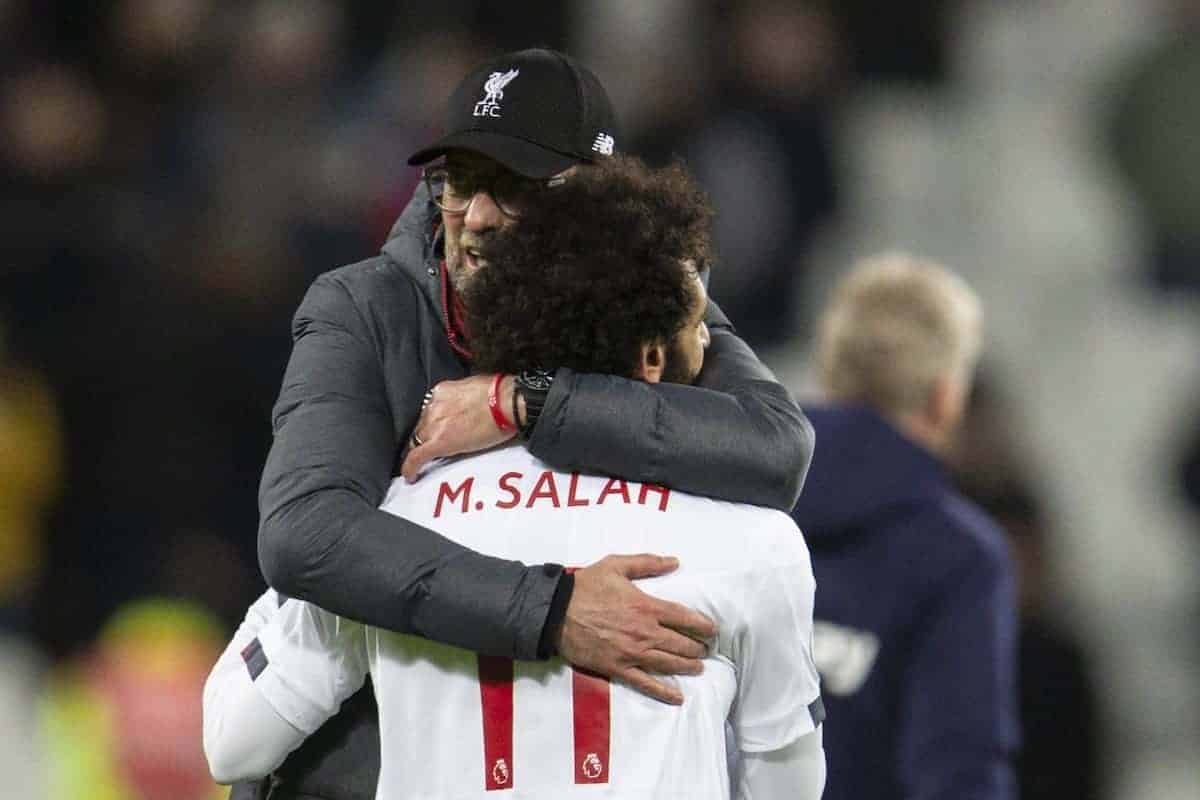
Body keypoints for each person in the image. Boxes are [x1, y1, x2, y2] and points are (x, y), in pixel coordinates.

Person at [246, 46, 814, 799]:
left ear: (599, 203)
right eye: (459, 183)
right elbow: (305, 532)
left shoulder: (649, 292)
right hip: (384, 743)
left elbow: (775, 447)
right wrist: (552, 610)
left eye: (516, 188)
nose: (477, 219)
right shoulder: (365, 309)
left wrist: (524, 401)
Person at [791, 253, 1019, 800]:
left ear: (831, 376)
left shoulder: (732, 513)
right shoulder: (957, 559)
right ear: (945, 396)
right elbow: (958, 771)